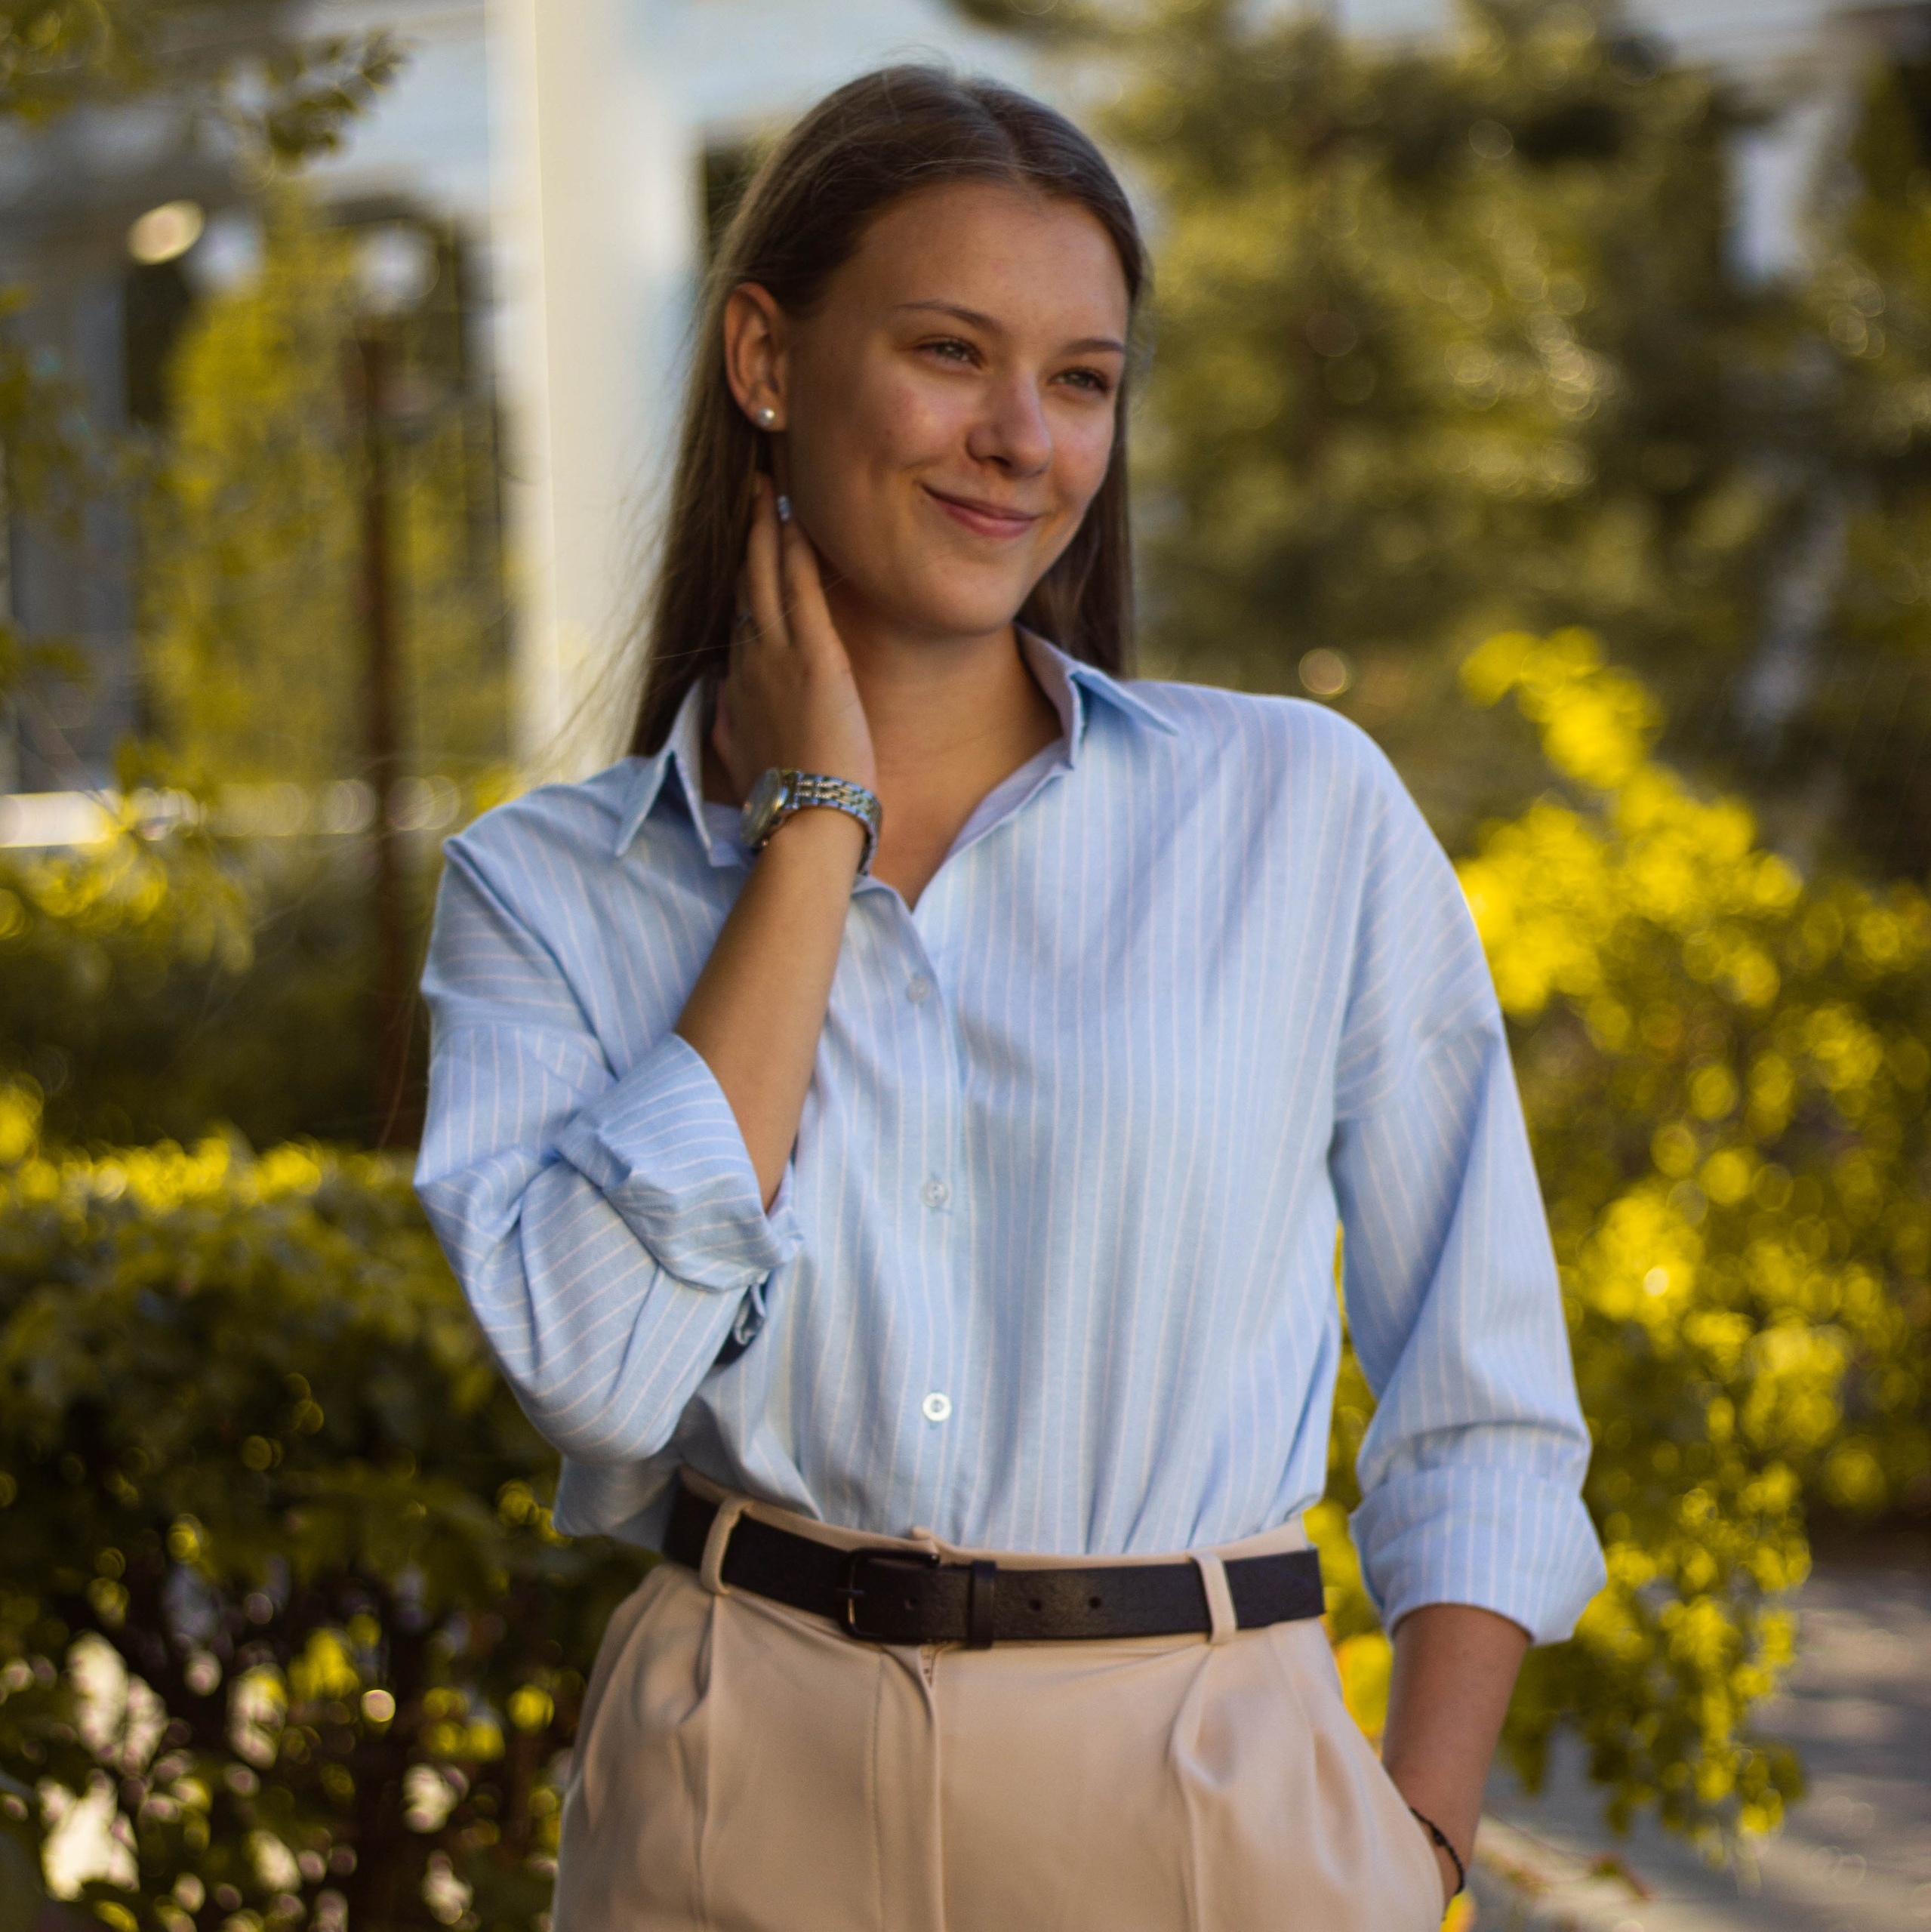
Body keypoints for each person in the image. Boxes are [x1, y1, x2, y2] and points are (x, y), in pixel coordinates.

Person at [415, 64, 1605, 1932]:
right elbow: (593, 1366)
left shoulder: (1295, 811)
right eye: (950, 352)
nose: (1020, 440)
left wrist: (1418, 1842)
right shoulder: (547, 887)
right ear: (765, 356)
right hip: (734, 1797)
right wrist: (811, 834)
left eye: (1081, 379)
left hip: (1203, 1805)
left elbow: (1482, 1392)